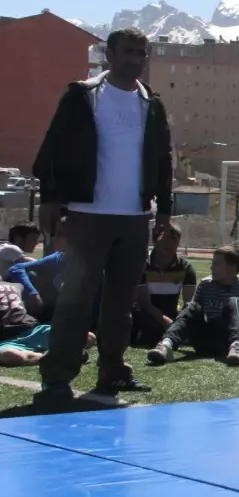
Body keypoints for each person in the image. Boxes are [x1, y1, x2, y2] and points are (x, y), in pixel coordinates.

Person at [30, 27, 173, 402]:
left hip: (136, 216)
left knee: (121, 302)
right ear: (108, 54)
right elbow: (54, 147)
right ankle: (57, 376)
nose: (135, 59)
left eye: (142, 53)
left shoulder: (151, 103)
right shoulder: (83, 94)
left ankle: (114, 371)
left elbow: (163, 160)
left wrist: (164, 211)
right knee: (76, 298)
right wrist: (50, 199)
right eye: (127, 52)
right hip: (88, 212)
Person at [147, 246, 239, 367]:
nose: (211, 267)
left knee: (233, 301)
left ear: (232, 267)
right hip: (204, 339)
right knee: (191, 306)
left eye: (216, 263)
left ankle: (236, 346)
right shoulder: (206, 284)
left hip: (227, 340)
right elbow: (191, 315)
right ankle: (166, 345)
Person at [130, 222, 198, 346]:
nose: (170, 243)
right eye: (165, 238)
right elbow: (145, 303)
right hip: (145, 313)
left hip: (170, 314)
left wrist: (179, 323)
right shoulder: (142, 265)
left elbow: (188, 304)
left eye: (174, 239)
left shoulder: (185, 268)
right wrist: (170, 324)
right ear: (155, 241)